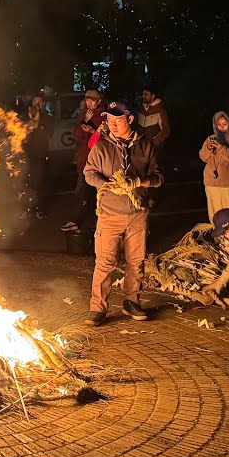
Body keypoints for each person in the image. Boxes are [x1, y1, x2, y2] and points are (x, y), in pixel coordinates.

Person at [82, 100, 162, 326]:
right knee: (105, 262)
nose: (113, 125)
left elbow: (158, 177)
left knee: (136, 261)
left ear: (129, 119)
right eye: (109, 120)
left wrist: (141, 181)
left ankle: (131, 301)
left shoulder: (145, 146)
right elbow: (89, 172)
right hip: (109, 213)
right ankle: (97, 308)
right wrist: (104, 184)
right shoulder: (102, 146)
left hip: (137, 213)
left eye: (118, 120)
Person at [62, 90, 105, 234]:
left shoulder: (103, 116)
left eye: (92, 100)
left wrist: (93, 132)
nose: (89, 102)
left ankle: (96, 222)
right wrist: (85, 121)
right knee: (82, 190)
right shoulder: (84, 114)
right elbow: (77, 135)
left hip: (98, 161)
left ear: (99, 101)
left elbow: (105, 139)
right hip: (85, 160)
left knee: (99, 192)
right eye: (87, 100)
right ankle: (75, 221)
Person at [198, 111, 229, 221]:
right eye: (219, 124)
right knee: (214, 212)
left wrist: (222, 148)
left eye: (225, 124)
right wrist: (208, 149)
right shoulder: (210, 138)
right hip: (211, 183)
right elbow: (203, 157)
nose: (221, 127)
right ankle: (217, 235)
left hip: (228, 183)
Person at [23, 93, 54, 218]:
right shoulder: (25, 118)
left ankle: (40, 209)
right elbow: (22, 136)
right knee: (27, 182)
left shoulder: (48, 118)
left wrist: (37, 122)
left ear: (43, 104)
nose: (37, 105)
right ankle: (27, 209)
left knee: (40, 183)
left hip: (41, 155)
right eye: (35, 103)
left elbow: (48, 134)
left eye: (40, 103)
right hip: (27, 155)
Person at [134, 87, 171, 151]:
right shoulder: (140, 108)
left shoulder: (160, 110)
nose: (143, 96)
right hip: (140, 146)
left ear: (153, 96)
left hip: (154, 149)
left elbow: (165, 130)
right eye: (143, 94)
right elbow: (135, 125)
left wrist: (154, 142)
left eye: (146, 94)